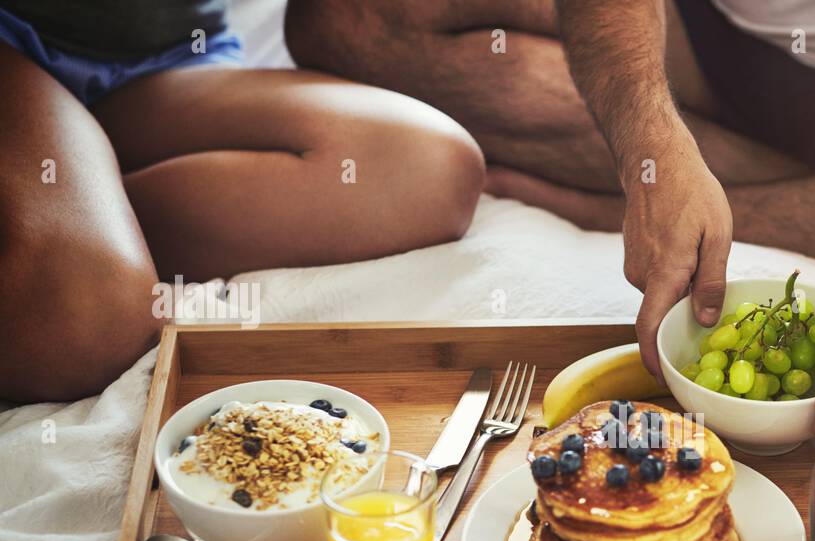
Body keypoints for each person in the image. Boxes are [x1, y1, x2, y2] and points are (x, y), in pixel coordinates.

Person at [285, 0, 815, 437]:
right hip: (693, 31)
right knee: (343, 15)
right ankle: (772, 178)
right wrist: (646, 138)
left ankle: (689, 184)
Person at [0, 0, 485, 404]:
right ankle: (72, 236)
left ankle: (77, 222)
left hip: (166, 62)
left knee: (428, 167)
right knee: (88, 328)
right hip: (13, 47)